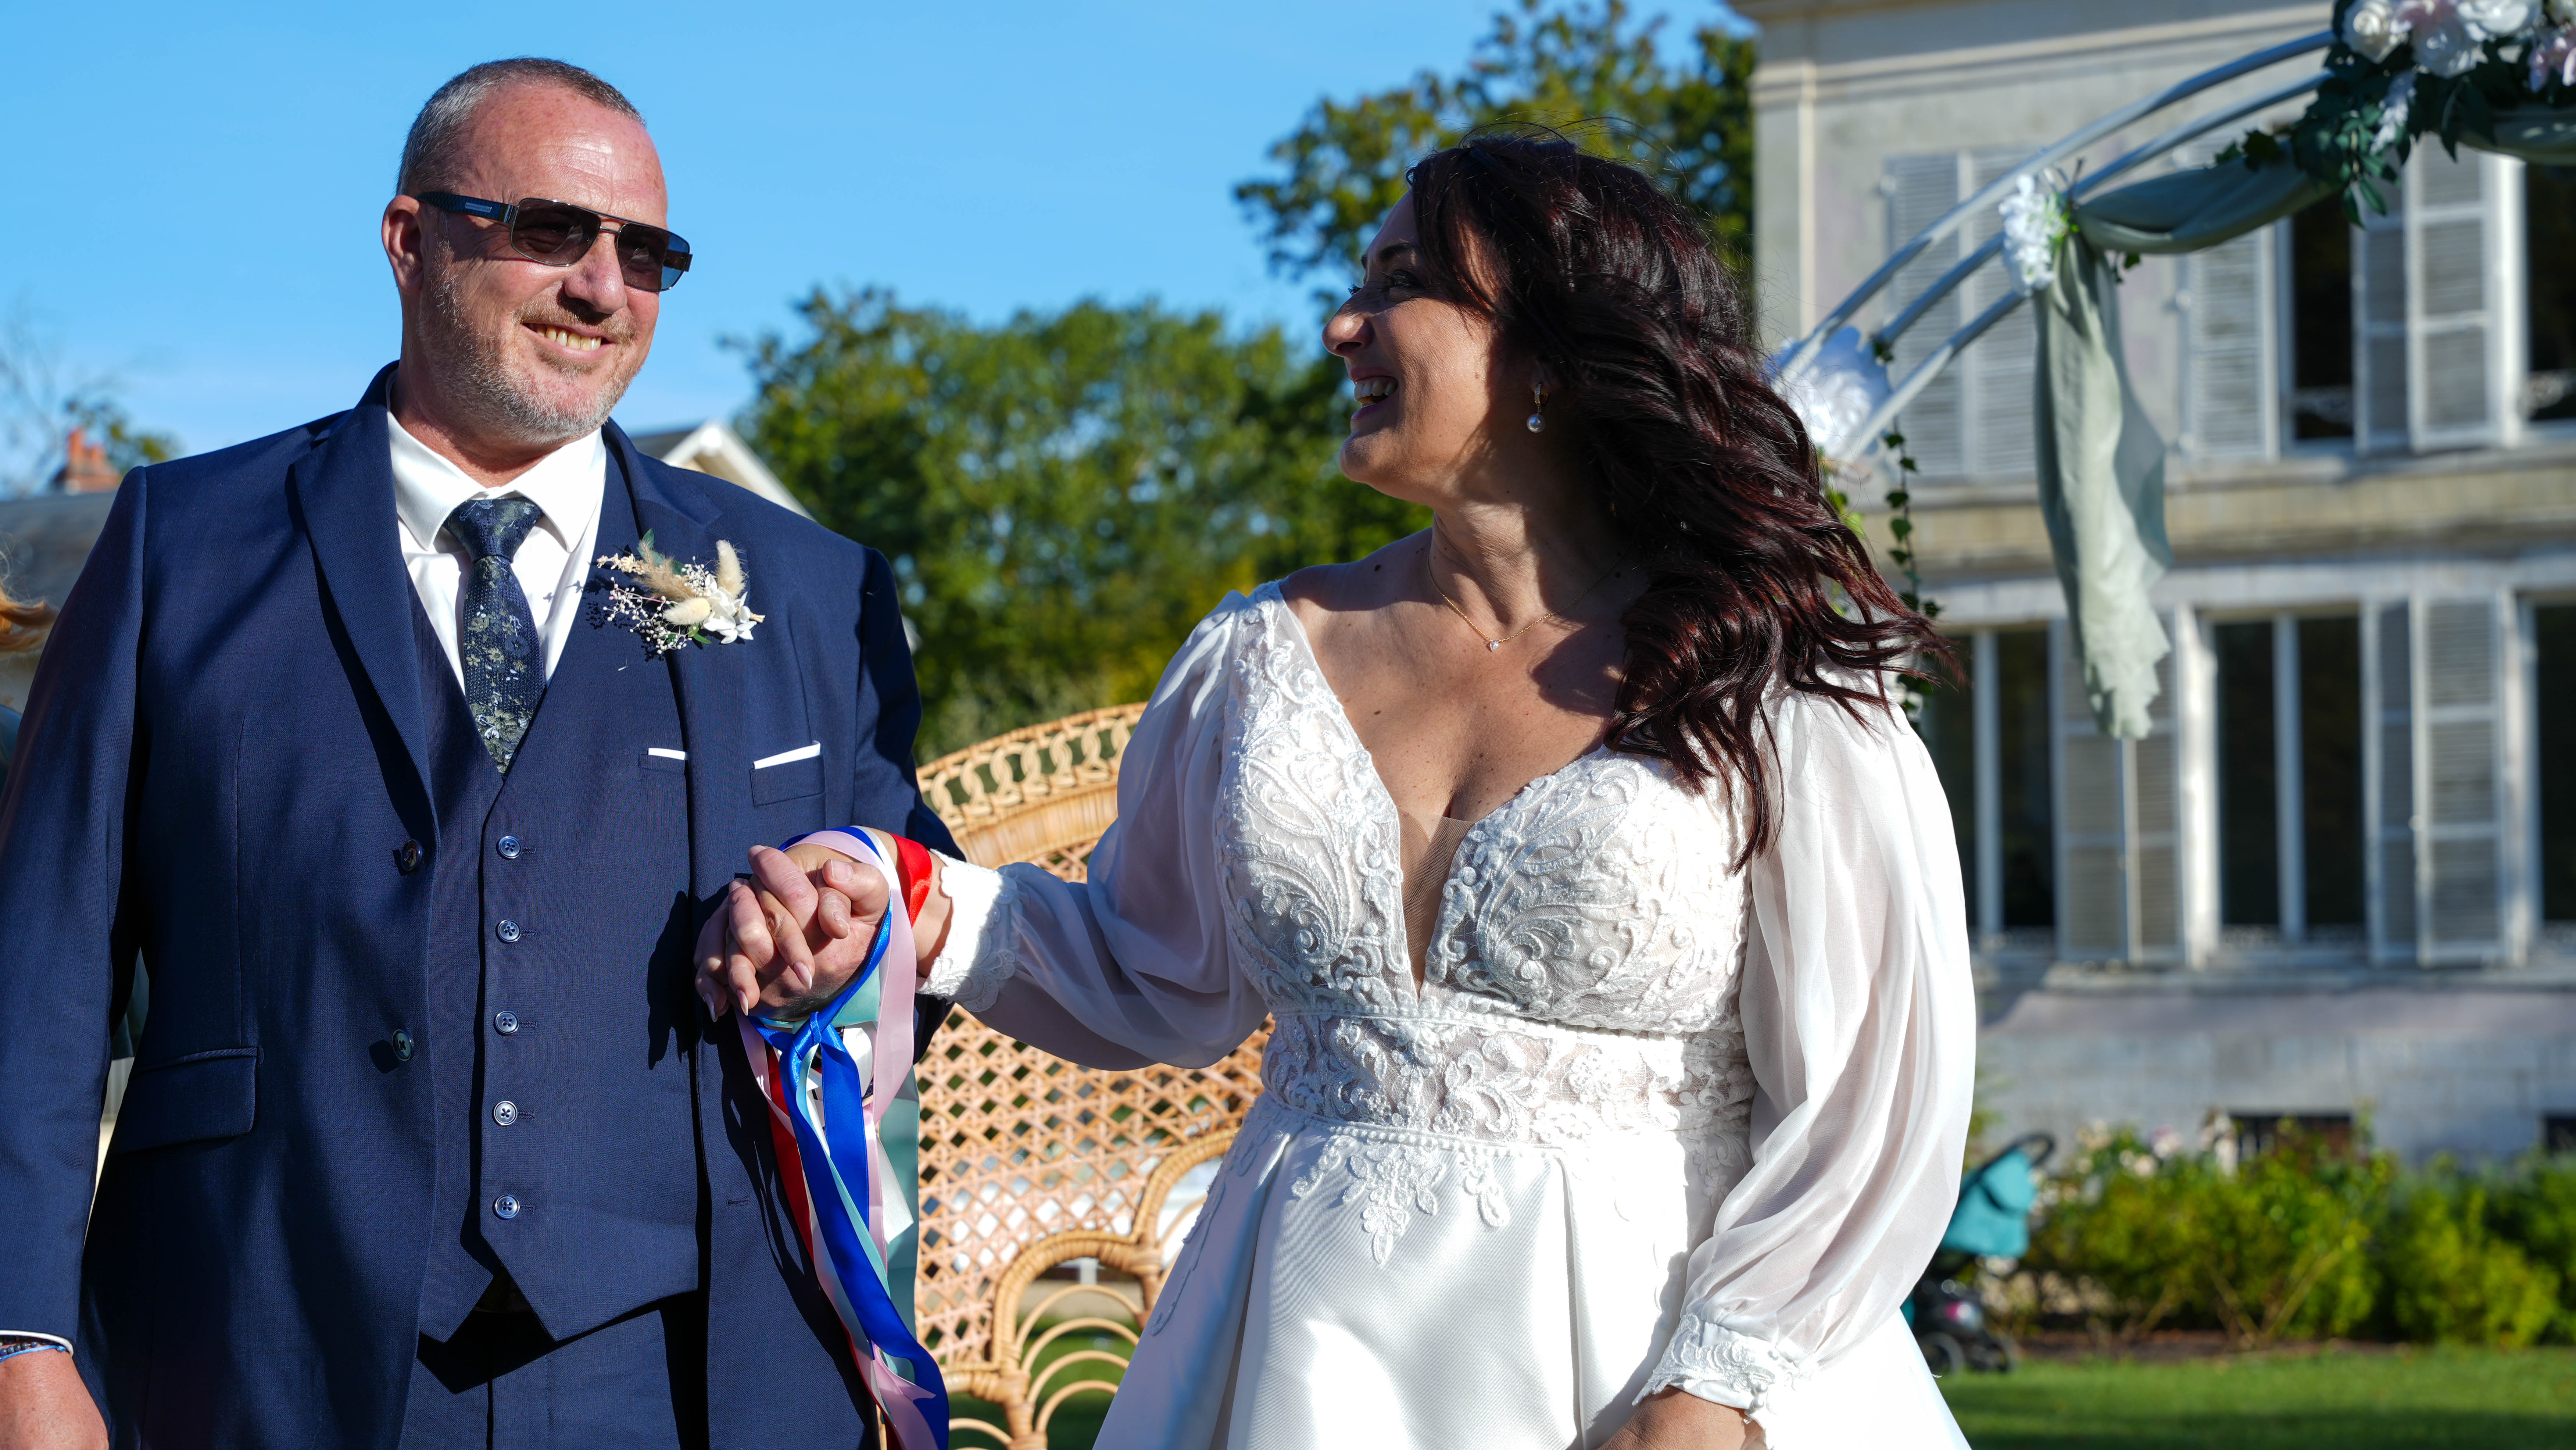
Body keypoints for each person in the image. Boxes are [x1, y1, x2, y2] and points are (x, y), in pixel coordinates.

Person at [716, 135, 1978, 1449]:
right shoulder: (1257, 660)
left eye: (1403, 282)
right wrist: (915, 908)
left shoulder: (1773, 680)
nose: (1341, 325)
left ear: (1554, 350)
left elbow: (1874, 1102)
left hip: (1657, 1366)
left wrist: (1717, 1385)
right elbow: (1156, 967)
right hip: (1293, 1357)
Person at [0, 58, 951, 1449]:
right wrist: (22, 1341)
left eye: (650, 254)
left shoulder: (809, 589)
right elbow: (39, 974)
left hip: (693, 1376)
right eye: (554, 232)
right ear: (409, 239)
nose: (604, 288)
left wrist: (853, 942)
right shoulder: (175, 548)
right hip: (260, 1346)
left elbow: (917, 916)